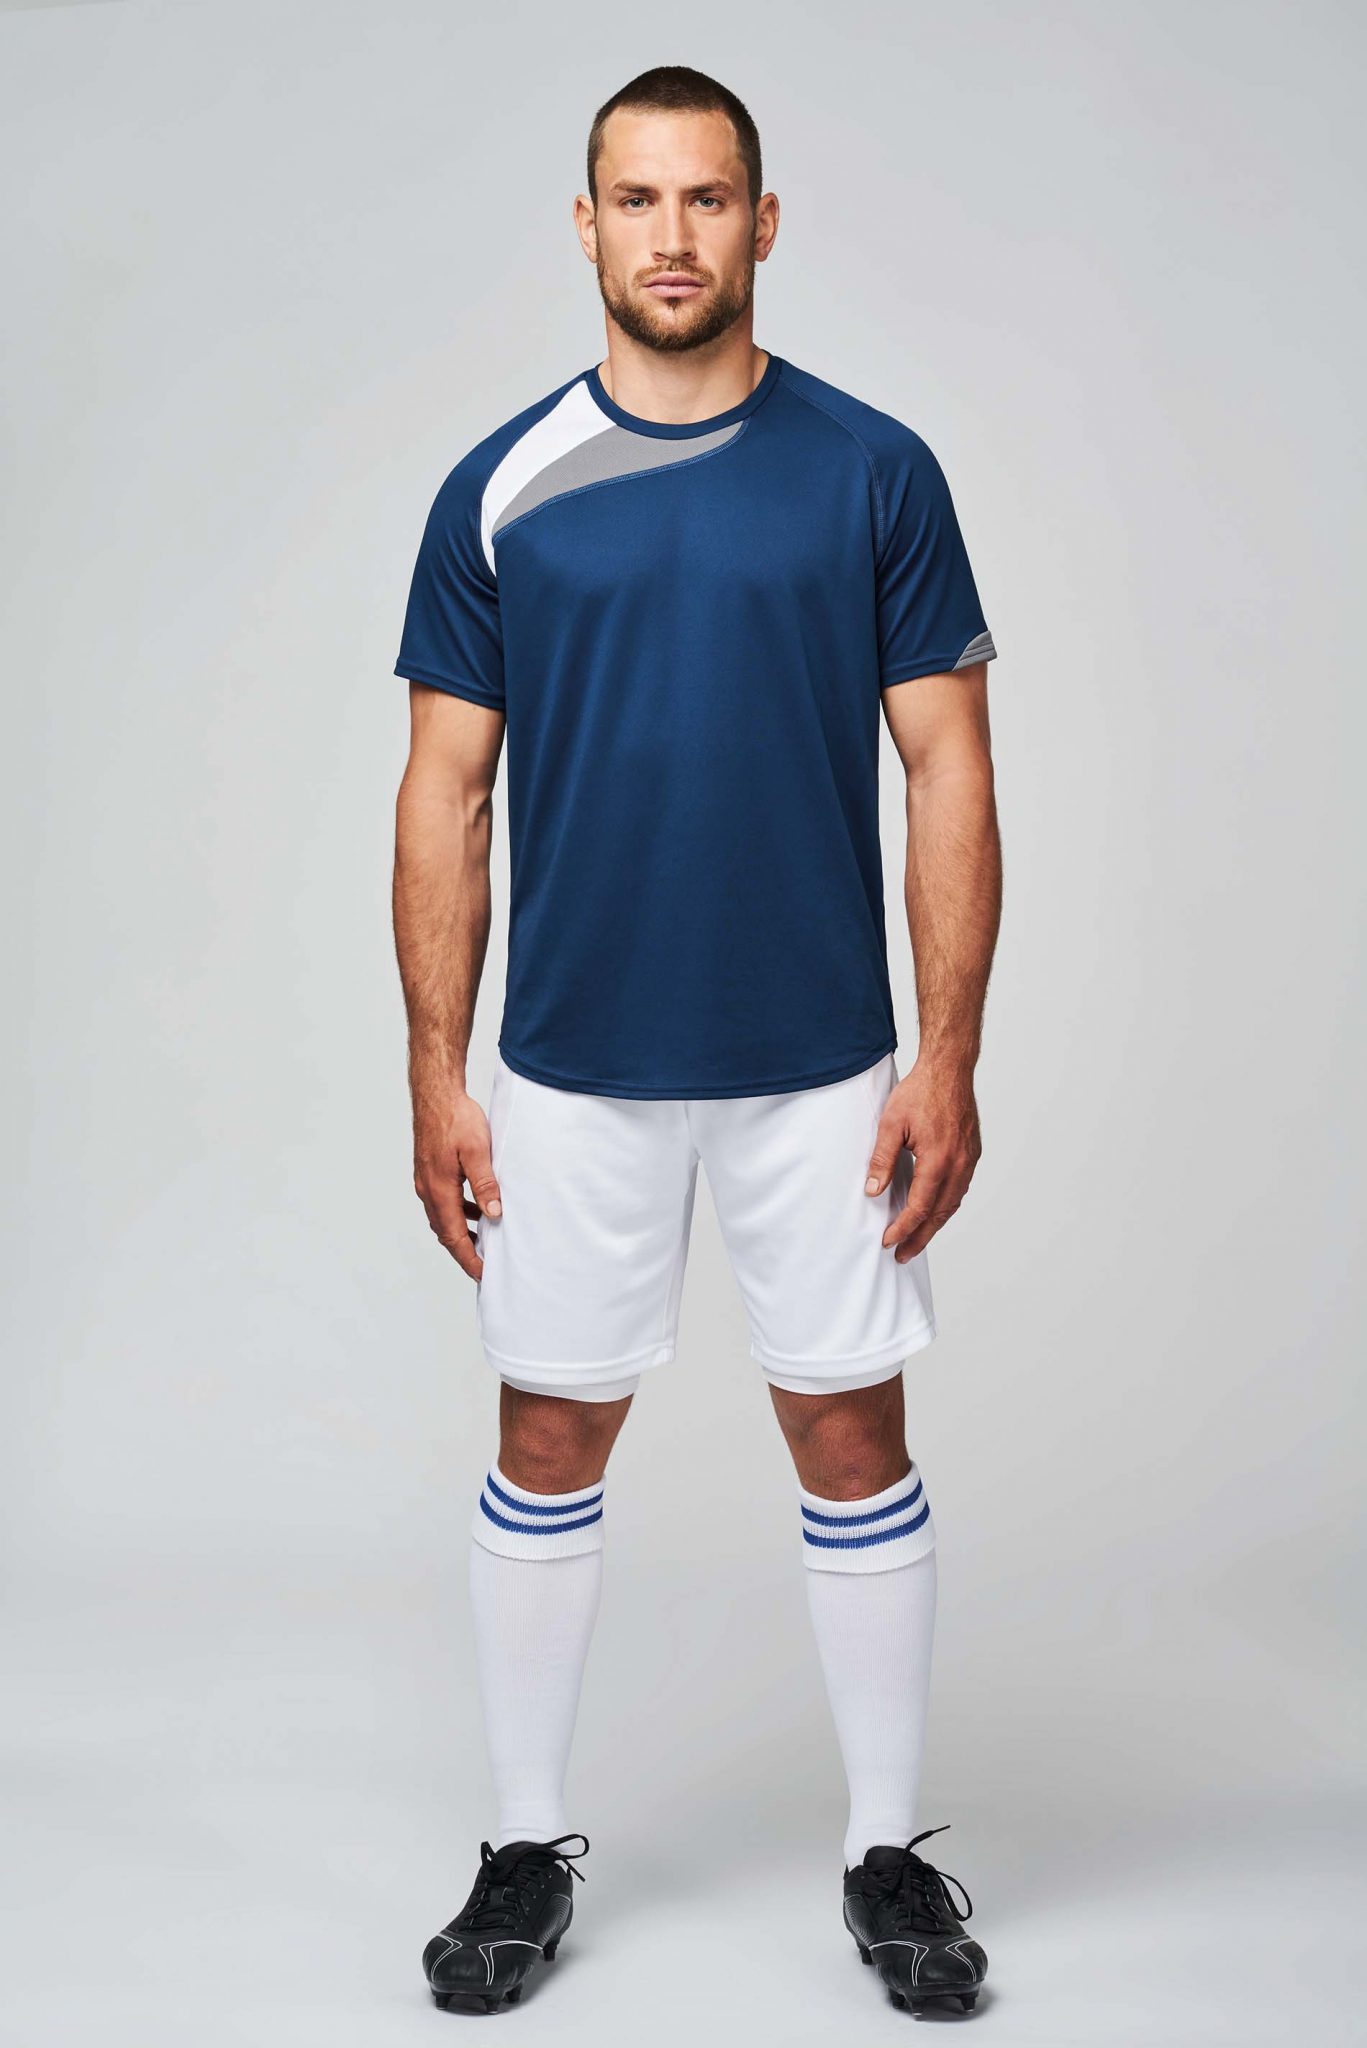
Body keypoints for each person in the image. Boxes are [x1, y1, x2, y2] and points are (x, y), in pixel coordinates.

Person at [392, 63, 1001, 2019]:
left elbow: (949, 766)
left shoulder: (873, 470)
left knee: (852, 1430)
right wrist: (436, 1068)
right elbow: (443, 793)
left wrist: (946, 1056)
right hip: (571, 1062)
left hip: (824, 1061)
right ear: (587, 227)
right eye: (638, 200)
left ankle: (890, 1854)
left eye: (708, 197)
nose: (674, 235)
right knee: (546, 1432)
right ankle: (523, 1842)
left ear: (764, 220)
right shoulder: (499, 488)